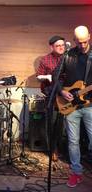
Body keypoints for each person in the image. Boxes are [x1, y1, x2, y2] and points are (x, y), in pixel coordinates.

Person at [58, 25, 92, 188]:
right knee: (73, 141)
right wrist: (62, 92)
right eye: (79, 43)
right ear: (73, 41)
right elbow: (56, 77)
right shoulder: (68, 55)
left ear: (89, 37)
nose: (82, 45)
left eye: (84, 42)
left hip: (90, 105)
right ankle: (76, 172)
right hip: (71, 105)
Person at [36, 35, 66, 161]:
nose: (61, 48)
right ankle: (53, 149)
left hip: (66, 95)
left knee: (62, 124)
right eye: (58, 46)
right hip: (51, 95)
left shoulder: (68, 58)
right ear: (52, 47)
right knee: (51, 123)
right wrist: (47, 77)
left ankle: (61, 147)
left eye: (62, 45)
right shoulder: (45, 60)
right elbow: (38, 76)